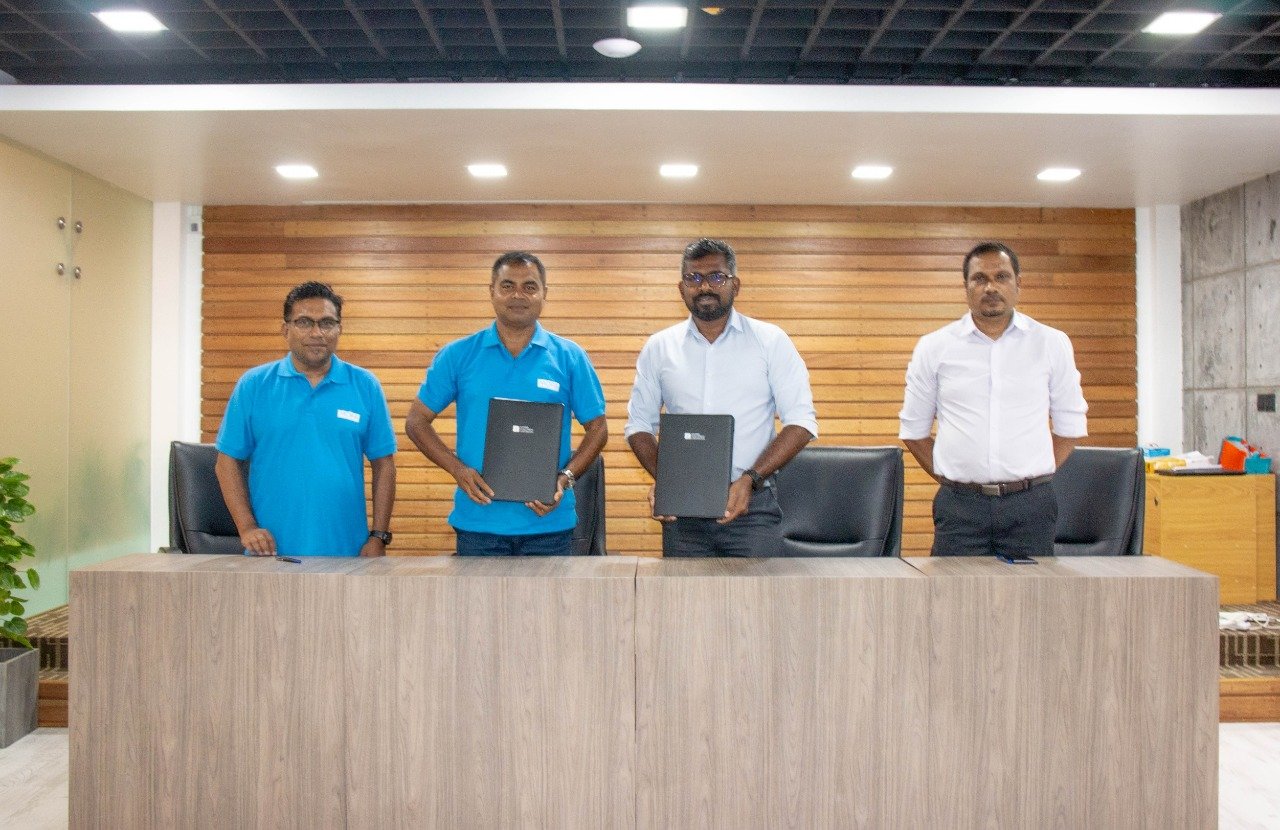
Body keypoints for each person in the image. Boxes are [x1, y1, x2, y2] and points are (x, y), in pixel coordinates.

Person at [405, 251, 608, 556]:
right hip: (478, 526)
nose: (518, 295)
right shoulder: (457, 355)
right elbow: (416, 422)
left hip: (550, 526)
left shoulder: (570, 357)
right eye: (507, 285)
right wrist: (458, 470)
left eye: (530, 287)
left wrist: (566, 478)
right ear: (492, 291)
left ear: (544, 293)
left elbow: (598, 428)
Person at [625, 238, 818, 557]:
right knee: (682, 592)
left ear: (735, 285)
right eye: (693, 278)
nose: (704, 286)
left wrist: (750, 480)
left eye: (716, 276)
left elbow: (801, 423)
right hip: (682, 513)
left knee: (756, 592)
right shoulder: (659, 348)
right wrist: (668, 480)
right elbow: (639, 426)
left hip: (752, 508)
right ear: (681, 288)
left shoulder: (771, 342)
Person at [899, 241, 1088, 557]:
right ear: (966, 287)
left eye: (1001, 277)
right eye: (979, 278)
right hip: (959, 508)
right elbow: (914, 432)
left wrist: (1030, 475)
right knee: (953, 589)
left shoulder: (1051, 343)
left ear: (1018, 284)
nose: (991, 287)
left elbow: (1070, 426)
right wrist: (955, 477)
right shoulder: (934, 347)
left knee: (1031, 590)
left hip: (1031, 508)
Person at [215, 281, 397, 557]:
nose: (316, 333)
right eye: (304, 322)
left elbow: (384, 465)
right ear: (285, 329)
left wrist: (379, 536)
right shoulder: (253, 385)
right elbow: (226, 463)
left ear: (339, 329)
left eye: (327, 323)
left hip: (348, 553)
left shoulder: (365, 385)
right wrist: (247, 527)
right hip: (271, 555)